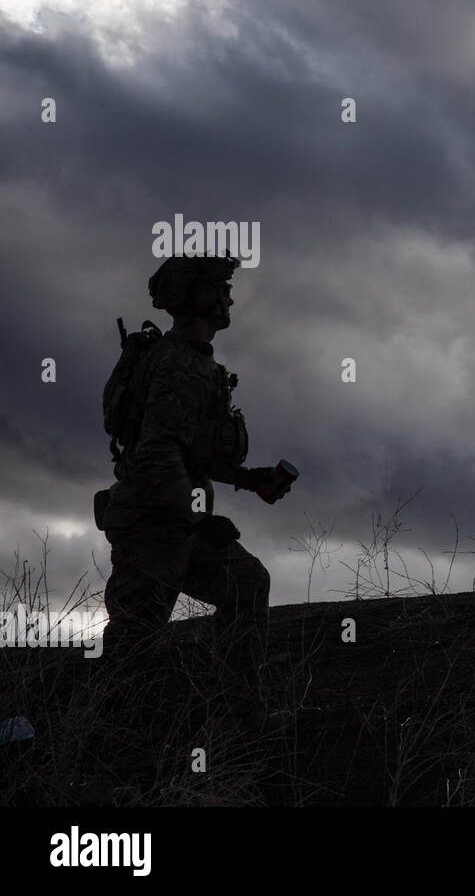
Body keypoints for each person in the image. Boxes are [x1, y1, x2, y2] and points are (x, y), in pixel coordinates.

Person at [97, 254, 293, 722]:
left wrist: (249, 480)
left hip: (175, 521)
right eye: (220, 289)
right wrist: (200, 520)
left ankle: (237, 716)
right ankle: (99, 747)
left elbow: (191, 452)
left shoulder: (194, 364)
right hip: (152, 526)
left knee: (246, 584)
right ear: (198, 296)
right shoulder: (178, 365)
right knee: (135, 638)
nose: (229, 298)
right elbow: (158, 454)